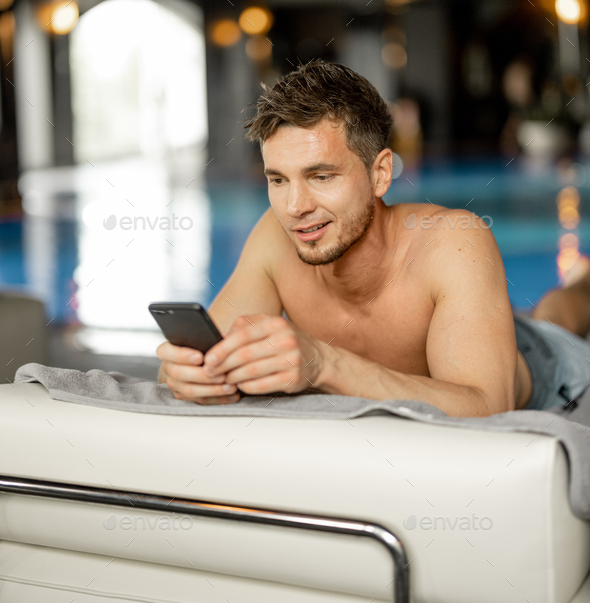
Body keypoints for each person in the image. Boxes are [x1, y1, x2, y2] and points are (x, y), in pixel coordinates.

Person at [157, 60, 590, 417]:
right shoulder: (276, 236)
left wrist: (323, 362)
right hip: (468, 328)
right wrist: (185, 372)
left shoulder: (453, 242)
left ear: (379, 174)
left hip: (542, 365)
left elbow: (486, 409)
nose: (294, 207)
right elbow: (204, 354)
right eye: (278, 179)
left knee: (556, 317)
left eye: (321, 176)